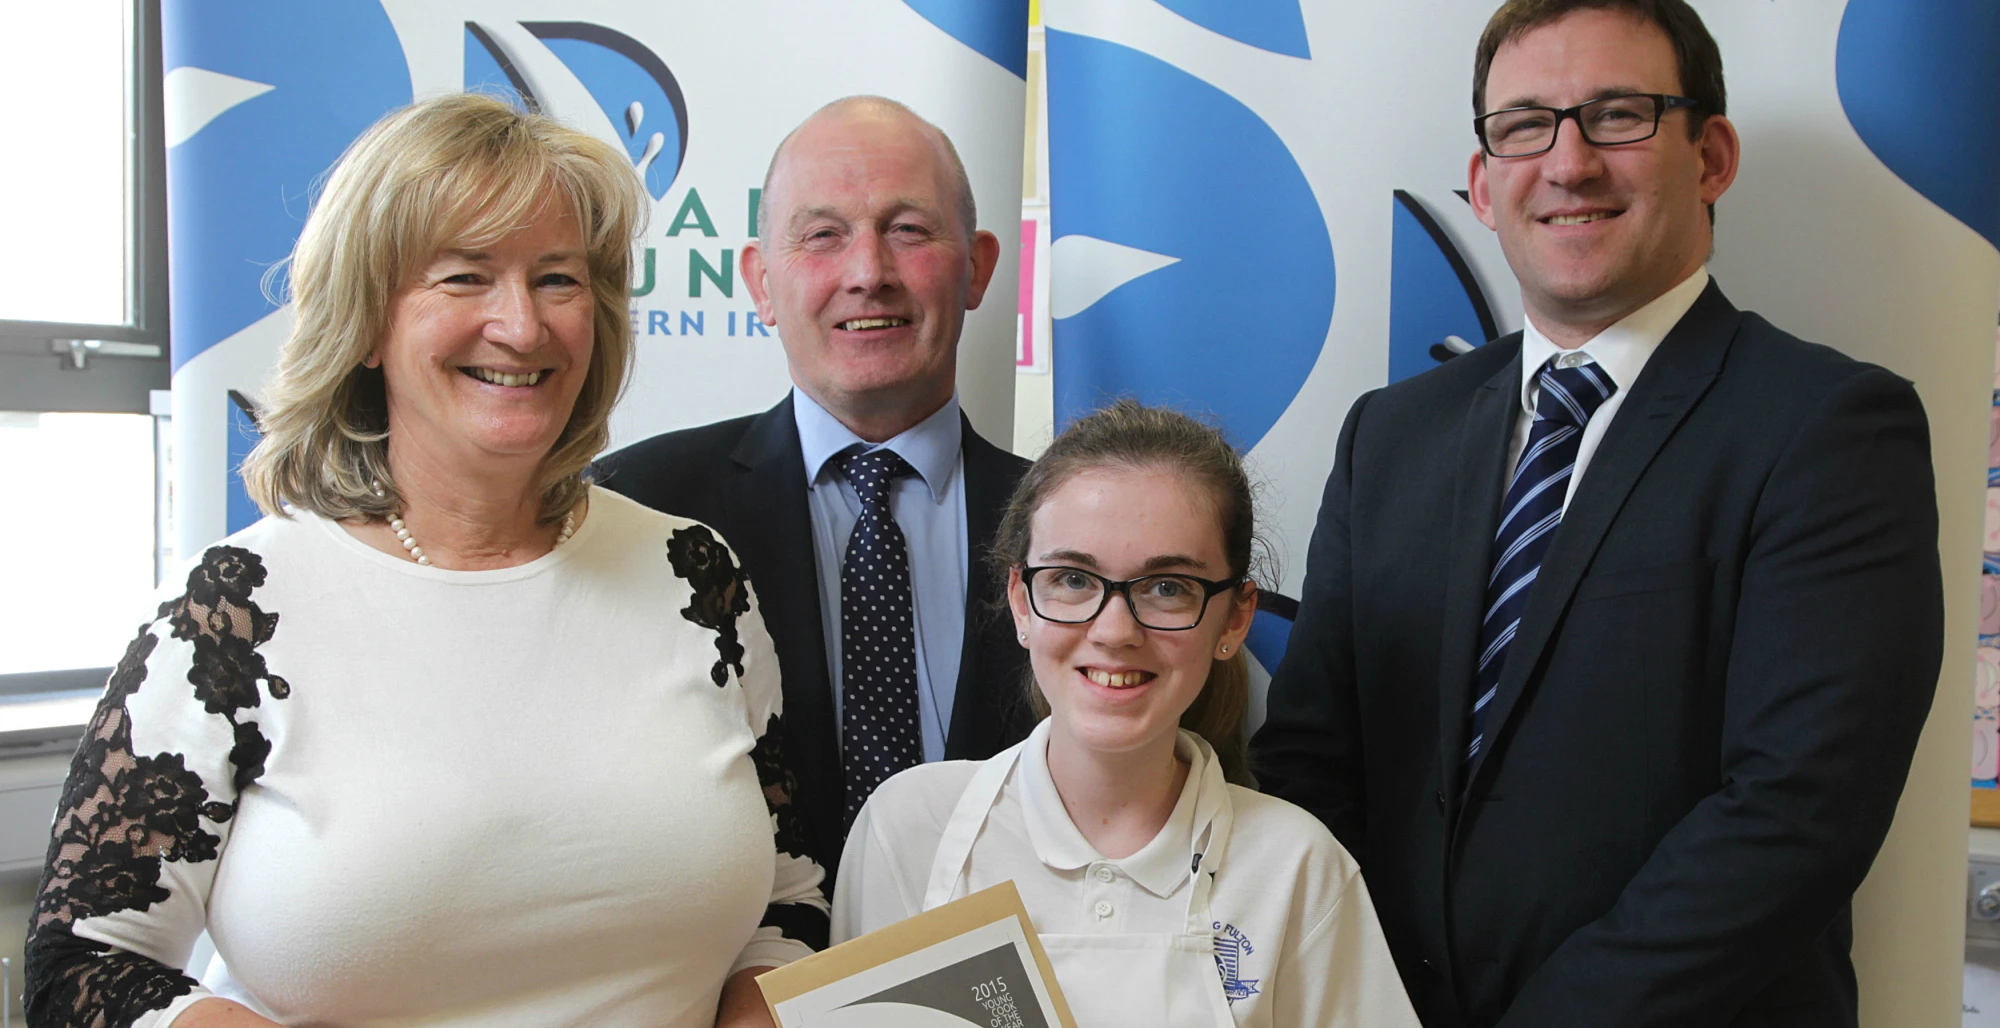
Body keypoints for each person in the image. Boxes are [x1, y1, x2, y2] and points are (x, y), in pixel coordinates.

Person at [25, 93, 822, 1028]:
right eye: (464, 277)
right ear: (366, 322)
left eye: (557, 280)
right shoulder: (235, 614)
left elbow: (788, 902)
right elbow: (82, 965)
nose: (522, 326)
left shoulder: (695, 576)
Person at [1251, 2, 1944, 1026]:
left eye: (1617, 115)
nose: (1568, 164)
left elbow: (1798, 809)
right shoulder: (1389, 436)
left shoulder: (1827, 429)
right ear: (1483, 184)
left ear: (1710, 156)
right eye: (1525, 125)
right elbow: (1311, 760)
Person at [833, 400, 1421, 1028]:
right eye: (1072, 579)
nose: (1114, 631)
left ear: (1235, 618)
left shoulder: (1297, 868)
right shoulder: (911, 828)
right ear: (1021, 603)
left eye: (1168, 588)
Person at [595, 96, 1035, 887]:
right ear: (760, 283)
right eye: (824, 235)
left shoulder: (1067, 527)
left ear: (979, 267)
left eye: (909, 230)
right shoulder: (633, 508)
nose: (868, 273)